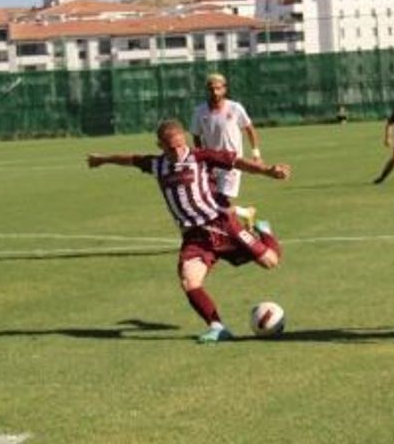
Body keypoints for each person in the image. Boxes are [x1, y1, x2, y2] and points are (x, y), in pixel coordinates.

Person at [86, 119, 290, 343]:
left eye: (180, 144)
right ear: (160, 145)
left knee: (270, 262)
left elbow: (238, 162)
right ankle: (217, 327)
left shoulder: (200, 157)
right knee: (189, 280)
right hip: (195, 237)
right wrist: (102, 159)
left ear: (184, 139)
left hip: (223, 225)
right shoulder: (157, 164)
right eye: (171, 148)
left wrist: (268, 170)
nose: (177, 150)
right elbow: (129, 159)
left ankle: (264, 230)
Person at [189, 73, 261, 220]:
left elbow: (249, 129)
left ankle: (233, 229)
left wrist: (256, 154)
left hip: (232, 162)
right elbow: (196, 135)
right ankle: (245, 213)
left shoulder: (235, 108)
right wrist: (201, 157)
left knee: (222, 200)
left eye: (218, 88)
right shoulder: (199, 111)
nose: (215, 92)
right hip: (212, 163)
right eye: (211, 89)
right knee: (211, 200)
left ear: (224, 89)